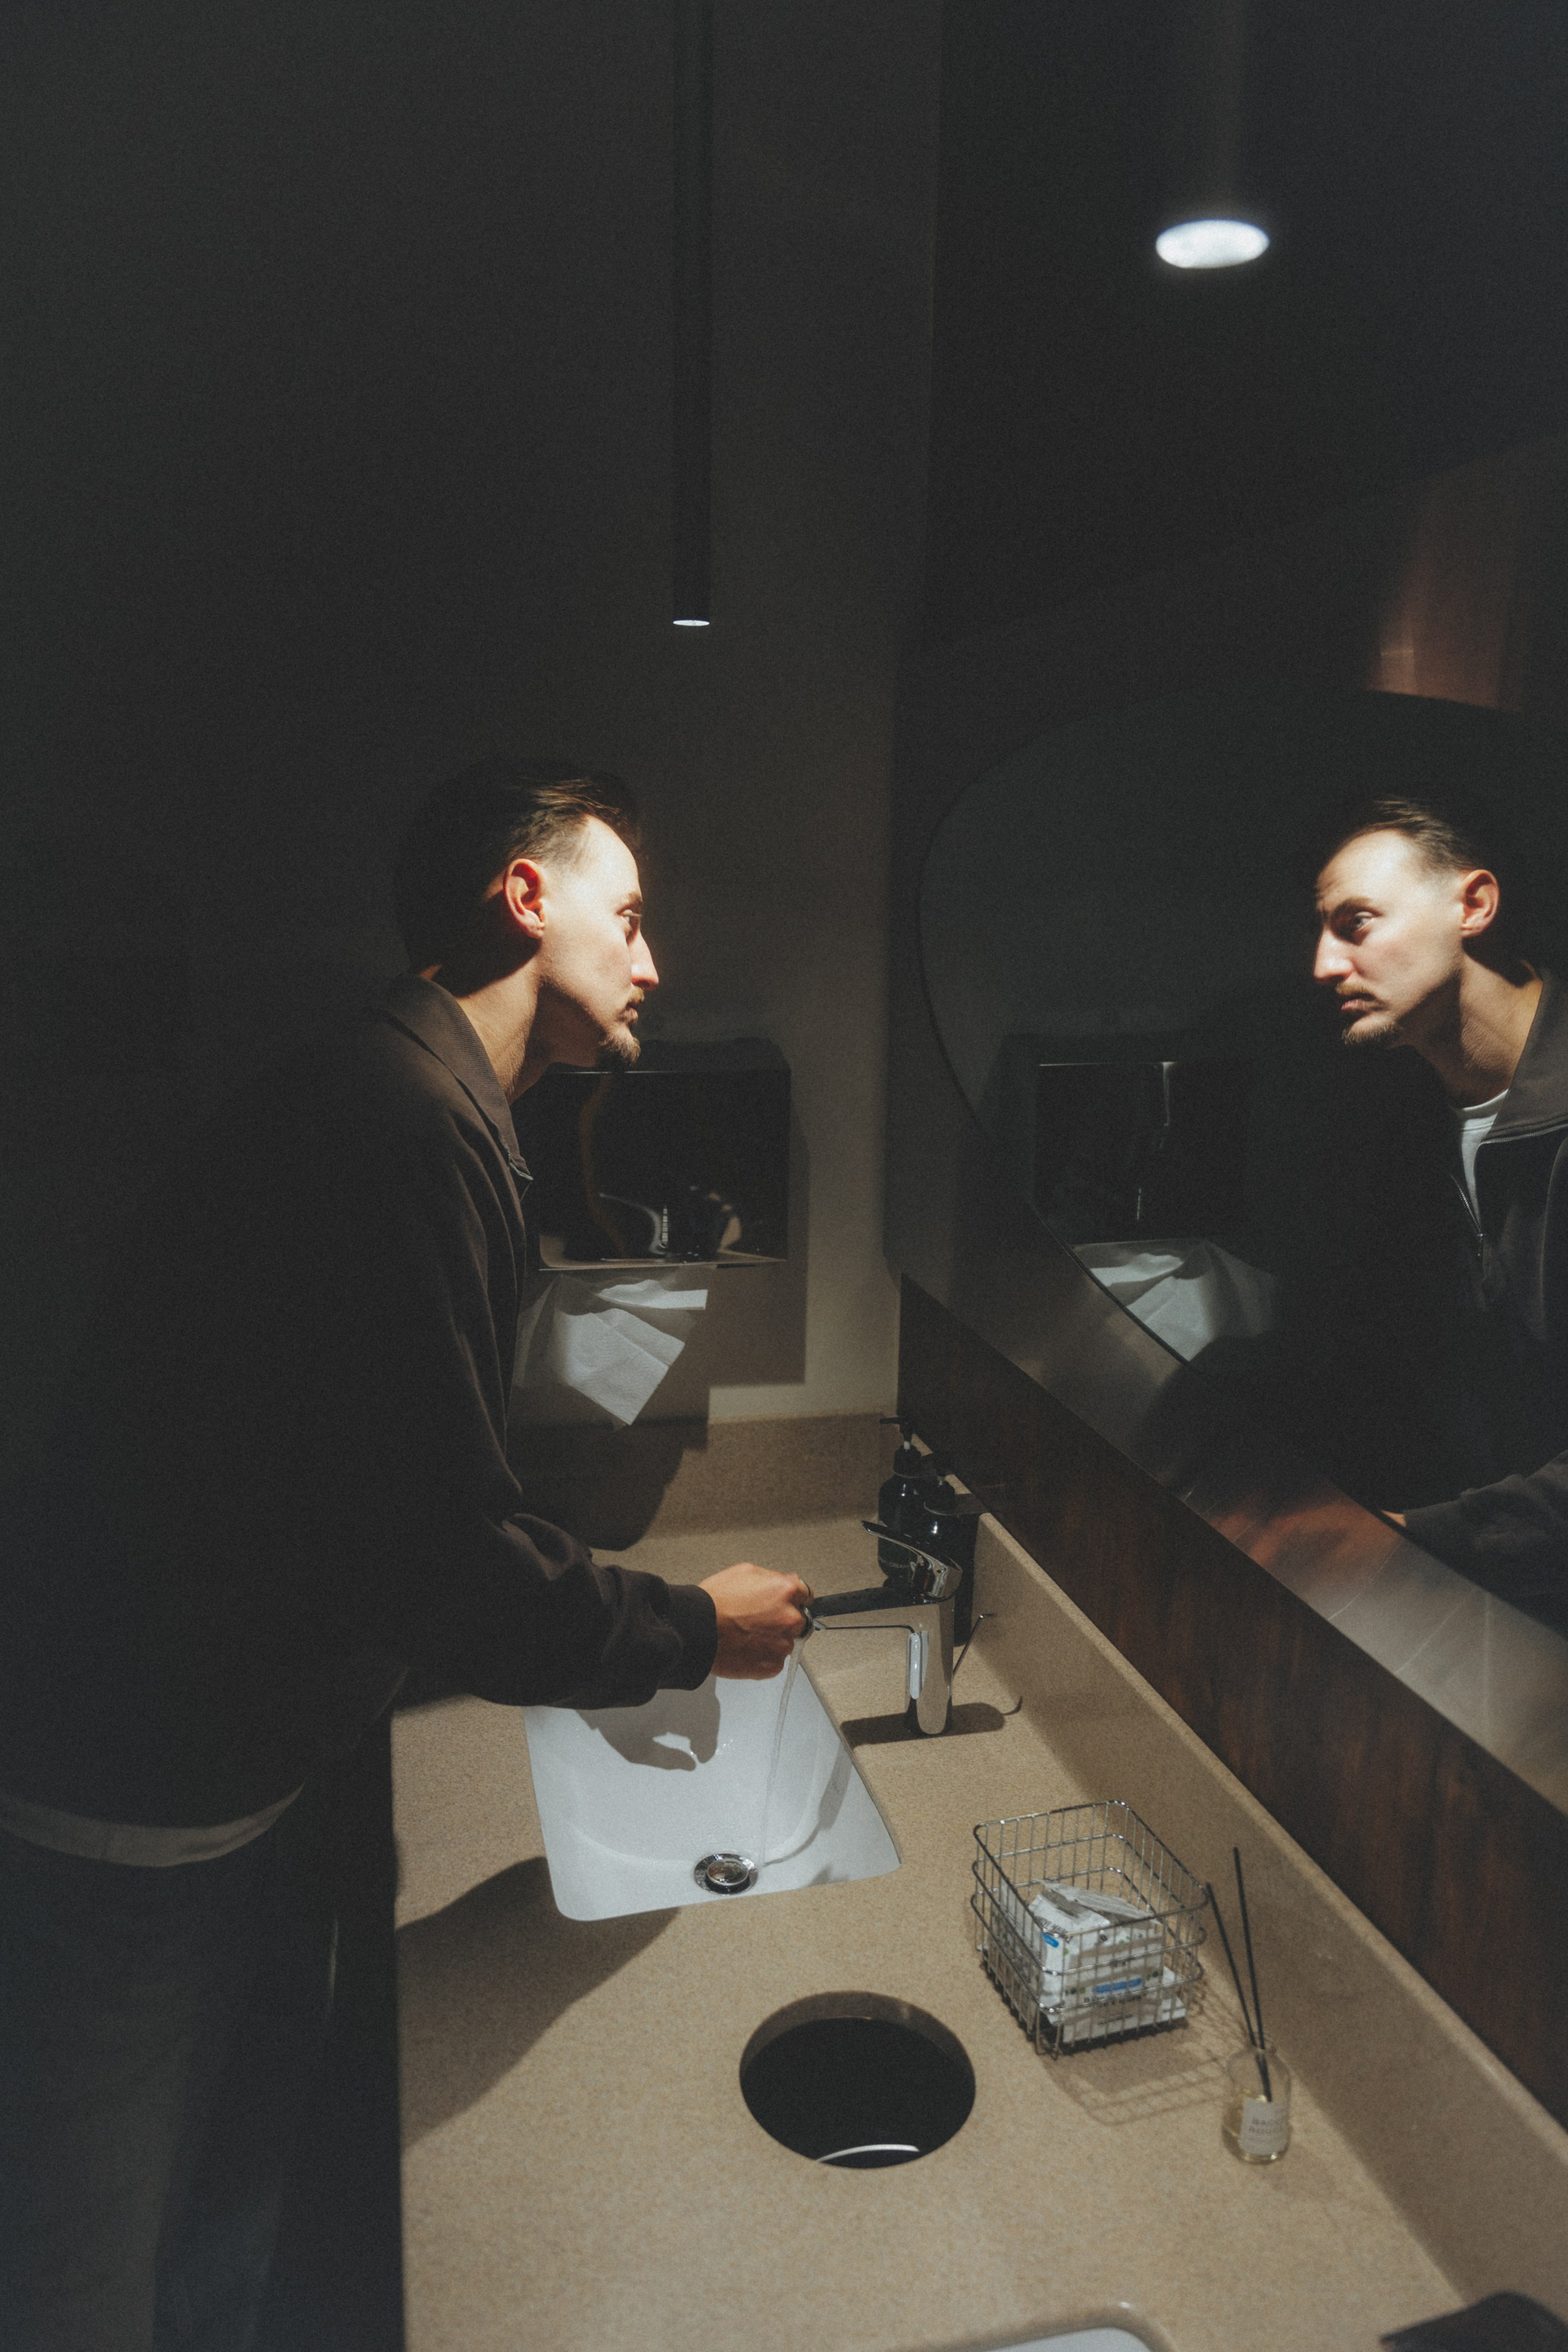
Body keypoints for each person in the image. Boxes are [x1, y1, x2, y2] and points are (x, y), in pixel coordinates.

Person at [0, 758, 811, 2350]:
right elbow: (440, 1553)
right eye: (630, 917)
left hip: (211, 1776)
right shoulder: (403, 1124)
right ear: (527, 895)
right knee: (83, 2272)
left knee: (212, 2228)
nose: (653, 963)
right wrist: (687, 1629)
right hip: (128, 1799)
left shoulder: (418, 1102)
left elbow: (401, 1490)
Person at [1311, 791, 1568, 1632]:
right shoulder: (1406, 1125)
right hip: (1485, 1604)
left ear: (1474, 905)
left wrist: (1410, 1539)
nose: (1324, 963)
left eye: (1356, 923)